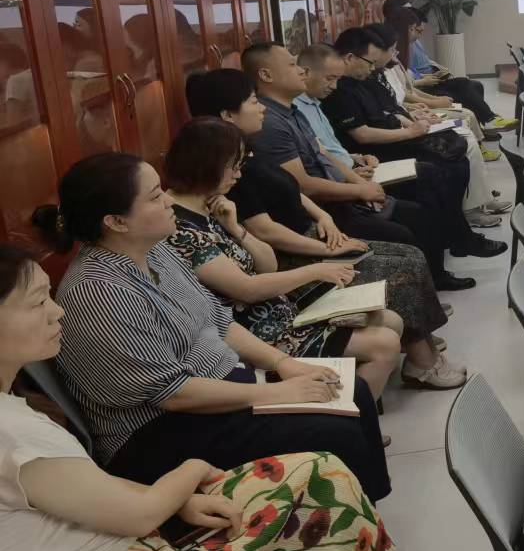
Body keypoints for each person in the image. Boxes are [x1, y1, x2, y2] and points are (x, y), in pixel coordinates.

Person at [0, 246, 489, 551]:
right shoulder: (12, 430)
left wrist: (181, 500)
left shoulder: (13, 414)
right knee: (316, 492)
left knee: (317, 472)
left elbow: (86, 492)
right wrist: (191, 472)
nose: (57, 311)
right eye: (38, 302)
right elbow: (138, 515)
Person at [38, 155, 393, 500]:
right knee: (331, 429)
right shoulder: (98, 291)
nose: (168, 201)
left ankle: (366, 513)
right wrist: (277, 392)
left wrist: (284, 364)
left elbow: (219, 321)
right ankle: (355, 524)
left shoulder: (156, 251)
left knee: (353, 390)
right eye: (155, 196)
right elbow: (173, 393)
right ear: (116, 222)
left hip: (215, 390)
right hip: (157, 432)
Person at [163, 117, 422, 395]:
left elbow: (268, 265)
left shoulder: (212, 206)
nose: (238, 175)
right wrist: (315, 271)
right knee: (384, 344)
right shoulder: (180, 229)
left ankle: (352, 403)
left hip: (278, 311)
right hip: (255, 332)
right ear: (206, 165)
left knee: (391, 319)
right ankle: (347, 413)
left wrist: (237, 230)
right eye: (233, 166)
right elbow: (247, 289)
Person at [287, 45, 477, 292]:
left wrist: (356, 159)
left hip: (355, 171)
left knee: (442, 173)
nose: (334, 86)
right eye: (330, 78)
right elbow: (313, 171)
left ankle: (453, 245)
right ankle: (444, 259)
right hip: (342, 188)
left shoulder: (309, 104)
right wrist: (357, 183)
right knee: (429, 184)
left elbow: (328, 150)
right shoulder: (294, 112)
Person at [325, 30, 505, 261]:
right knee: (443, 171)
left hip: (389, 141)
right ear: (350, 57)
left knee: (458, 162)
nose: (373, 67)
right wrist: (410, 131)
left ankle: (458, 235)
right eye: (369, 62)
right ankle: (459, 238)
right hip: (379, 153)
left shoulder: (363, 80)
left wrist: (409, 120)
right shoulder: (339, 91)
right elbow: (362, 134)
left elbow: (388, 110)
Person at [385, 1, 511, 129]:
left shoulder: (406, 47)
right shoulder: (392, 55)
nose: (415, 32)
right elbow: (404, 91)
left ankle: (487, 123)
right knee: (466, 97)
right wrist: (433, 99)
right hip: (421, 91)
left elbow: (412, 77)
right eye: (412, 29)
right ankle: (488, 121)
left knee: (470, 84)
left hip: (424, 85)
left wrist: (435, 73)